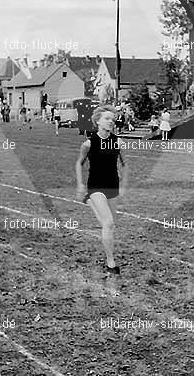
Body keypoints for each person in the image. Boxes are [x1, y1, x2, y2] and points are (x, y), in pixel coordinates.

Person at [75, 105, 128, 275]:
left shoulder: (118, 142)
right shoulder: (89, 144)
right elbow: (79, 163)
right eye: (107, 118)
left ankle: (90, 202)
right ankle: (110, 262)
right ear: (97, 121)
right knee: (109, 222)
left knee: (110, 224)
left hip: (112, 185)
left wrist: (124, 183)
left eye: (113, 119)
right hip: (96, 185)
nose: (111, 121)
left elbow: (124, 164)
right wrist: (80, 184)